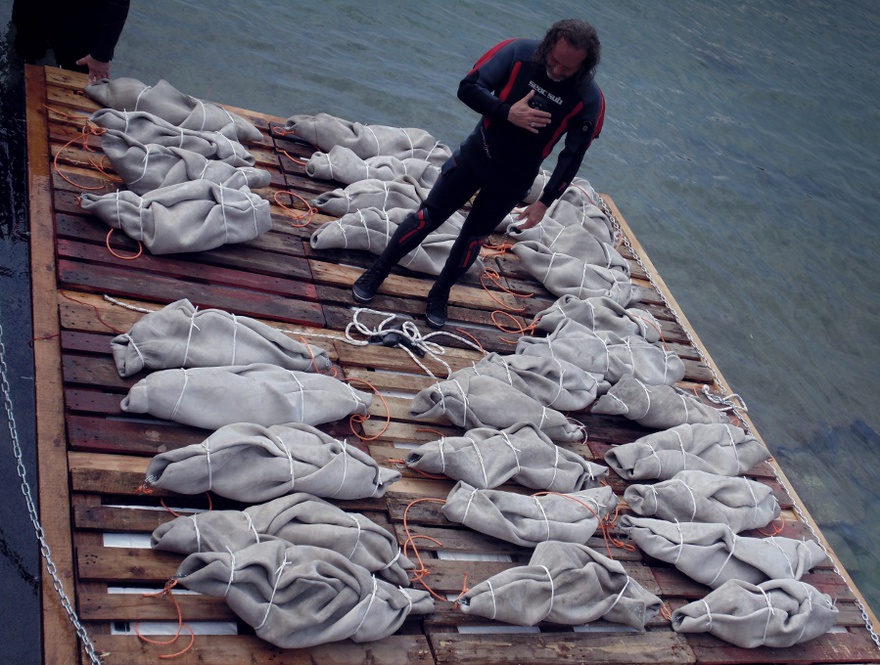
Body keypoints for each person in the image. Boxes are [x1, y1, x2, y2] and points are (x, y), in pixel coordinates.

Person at [352, 18, 605, 328]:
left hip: (513, 179)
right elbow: (468, 87)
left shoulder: (588, 98)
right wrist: (507, 112)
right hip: (477, 155)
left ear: (584, 65)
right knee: (427, 218)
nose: (557, 71)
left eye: (568, 68)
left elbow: (572, 155)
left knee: (472, 238)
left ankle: (440, 293)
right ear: (547, 45)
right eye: (553, 61)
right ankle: (378, 269)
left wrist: (545, 202)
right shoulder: (519, 53)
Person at [12, 0, 130, 84]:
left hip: (81, 26)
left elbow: (119, 2)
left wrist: (101, 55)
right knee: (21, 71)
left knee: (84, 87)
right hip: (32, 18)